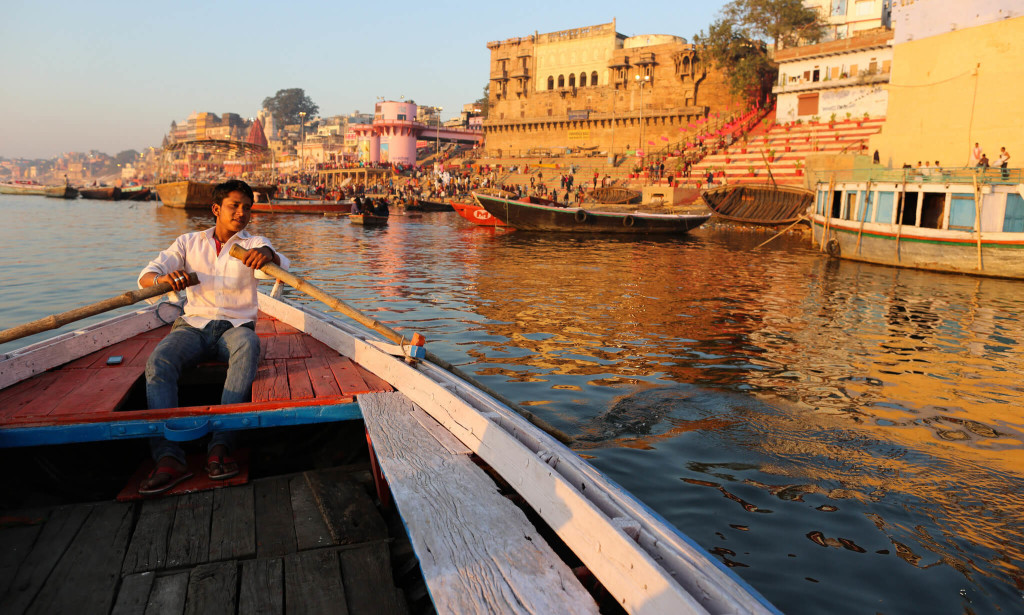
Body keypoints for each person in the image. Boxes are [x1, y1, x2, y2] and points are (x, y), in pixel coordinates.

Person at [137, 179, 289, 495]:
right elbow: (146, 277)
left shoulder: (253, 243)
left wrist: (266, 254)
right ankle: (168, 457)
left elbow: (278, 260)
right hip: (192, 325)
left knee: (249, 347)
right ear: (216, 209)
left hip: (236, 329)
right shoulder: (188, 243)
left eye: (247, 207)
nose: (242, 213)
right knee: (159, 361)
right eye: (234, 206)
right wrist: (163, 279)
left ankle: (221, 446)